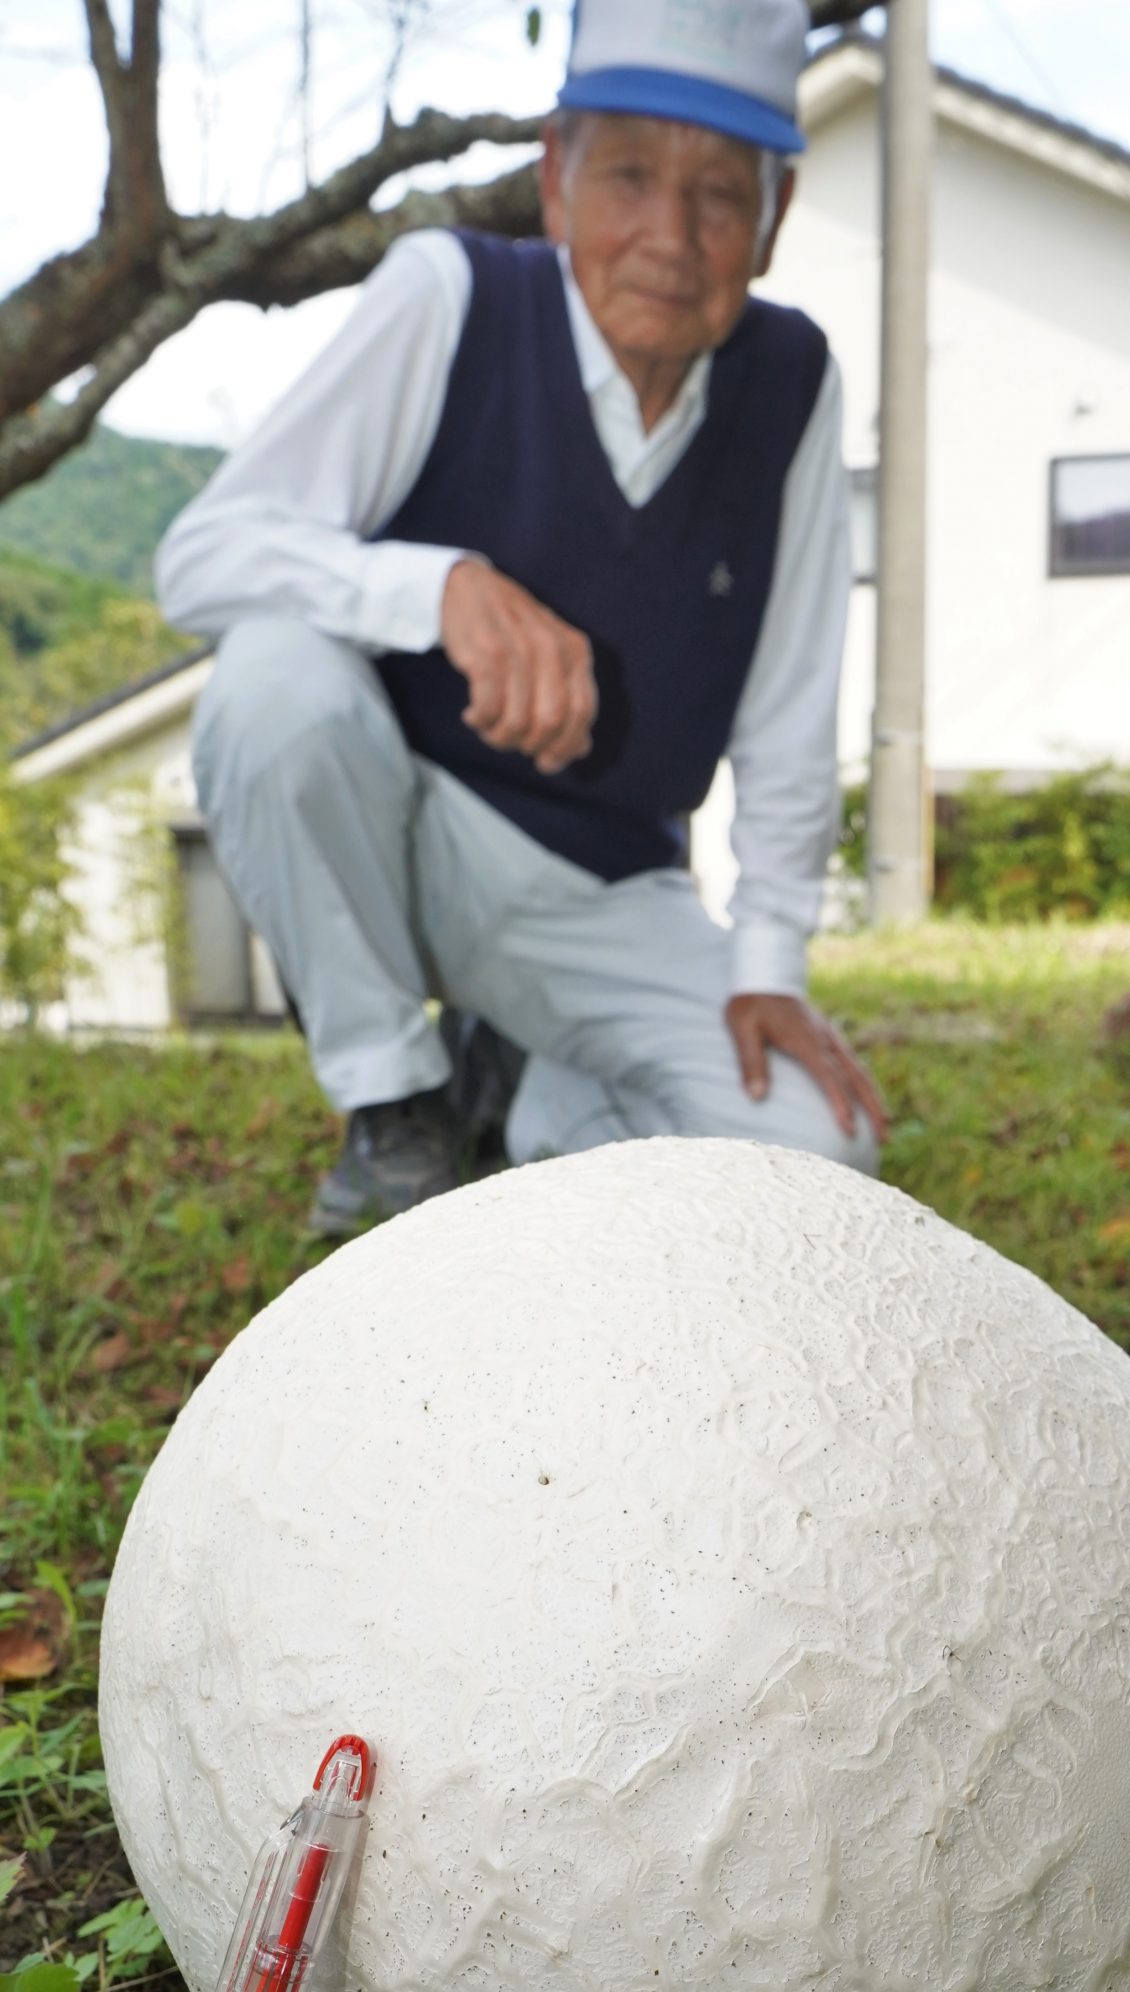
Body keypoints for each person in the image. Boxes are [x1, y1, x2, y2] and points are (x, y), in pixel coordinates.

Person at [158, 0, 886, 1236]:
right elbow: (204, 558)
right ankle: (396, 1104)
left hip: (610, 887)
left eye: (721, 192)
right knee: (273, 681)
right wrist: (433, 587)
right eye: (629, 176)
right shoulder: (451, 293)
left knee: (825, 1156)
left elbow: (790, 706)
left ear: (775, 218)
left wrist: (769, 966)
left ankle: (526, 1093)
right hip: (406, 831)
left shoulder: (793, 382)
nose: (670, 235)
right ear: (555, 181)